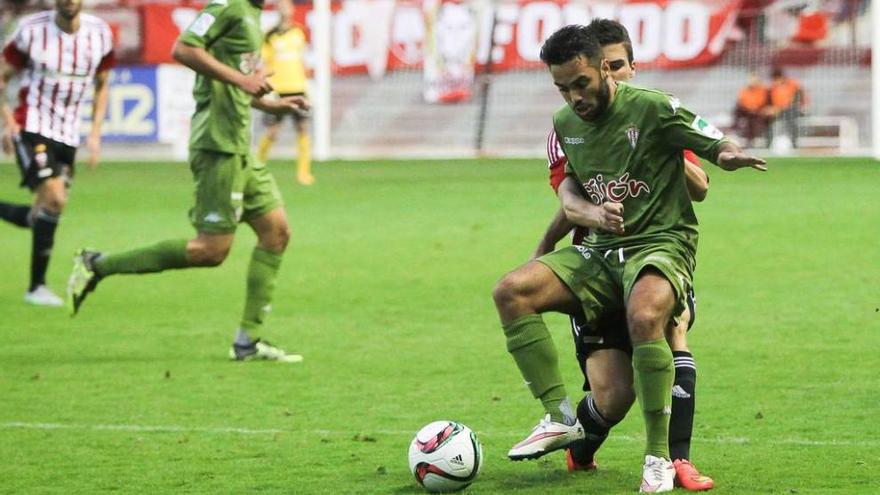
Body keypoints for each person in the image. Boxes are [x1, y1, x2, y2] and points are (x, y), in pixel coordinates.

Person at [492, 24, 766, 493]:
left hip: (661, 242)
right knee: (511, 290)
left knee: (647, 316)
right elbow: (571, 194)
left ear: (604, 67)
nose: (575, 96)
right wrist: (587, 220)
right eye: (563, 88)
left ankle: (660, 457)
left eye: (581, 83)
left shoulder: (653, 106)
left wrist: (728, 155)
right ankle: (560, 417)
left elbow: (709, 138)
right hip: (599, 251)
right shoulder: (564, 125)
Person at [66, 0, 309, 363]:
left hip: (240, 147)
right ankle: (96, 264)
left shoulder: (254, 15)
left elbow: (235, 82)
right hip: (217, 146)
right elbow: (183, 48)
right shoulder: (227, 7)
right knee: (211, 251)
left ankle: (248, 340)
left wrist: (270, 104)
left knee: (277, 232)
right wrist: (243, 79)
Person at [534, 19, 714, 491]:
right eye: (605, 67)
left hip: (657, 253)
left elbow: (701, 188)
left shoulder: (657, 115)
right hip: (598, 263)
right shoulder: (568, 128)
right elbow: (569, 201)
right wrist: (547, 246)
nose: (614, 75)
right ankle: (580, 445)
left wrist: (667, 151)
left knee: (673, 332)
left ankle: (675, 461)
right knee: (613, 396)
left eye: (619, 66)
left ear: (631, 67)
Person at [0, 0, 113, 306]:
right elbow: (3, 75)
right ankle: (36, 287)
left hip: (68, 134)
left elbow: (103, 84)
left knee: (42, 215)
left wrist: (94, 133)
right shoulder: (31, 31)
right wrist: (7, 121)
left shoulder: (100, 34)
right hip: (32, 124)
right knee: (55, 198)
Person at [255, 0, 313, 185]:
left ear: (292, 9)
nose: (284, 8)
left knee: (302, 128)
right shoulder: (270, 35)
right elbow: (265, 63)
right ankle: (256, 168)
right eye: (280, 5)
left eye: (286, 5)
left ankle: (304, 173)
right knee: (272, 132)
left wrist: (307, 83)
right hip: (278, 89)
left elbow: (303, 60)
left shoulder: (299, 32)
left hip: (298, 87)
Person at [766, 67, 806, 148]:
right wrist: (770, 109)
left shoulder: (793, 85)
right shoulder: (772, 88)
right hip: (778, 111)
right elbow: (769, 102)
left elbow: (798, 99)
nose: (775, 82)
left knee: (791, 119)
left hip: (792, 110)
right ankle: (768, 144)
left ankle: (794, 143)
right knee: (767, 120)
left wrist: (780, 108)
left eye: (776, 79)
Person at [733, 73, 770, 148]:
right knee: (741, 116)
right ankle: (742, 138)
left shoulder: (762, 90)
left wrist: (755, 108)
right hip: (747, 112)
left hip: (759, 112)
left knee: (757, 119)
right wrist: (749, 108)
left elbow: (763, 101)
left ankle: (754, 140)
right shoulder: (744, 91)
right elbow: (741, 102)